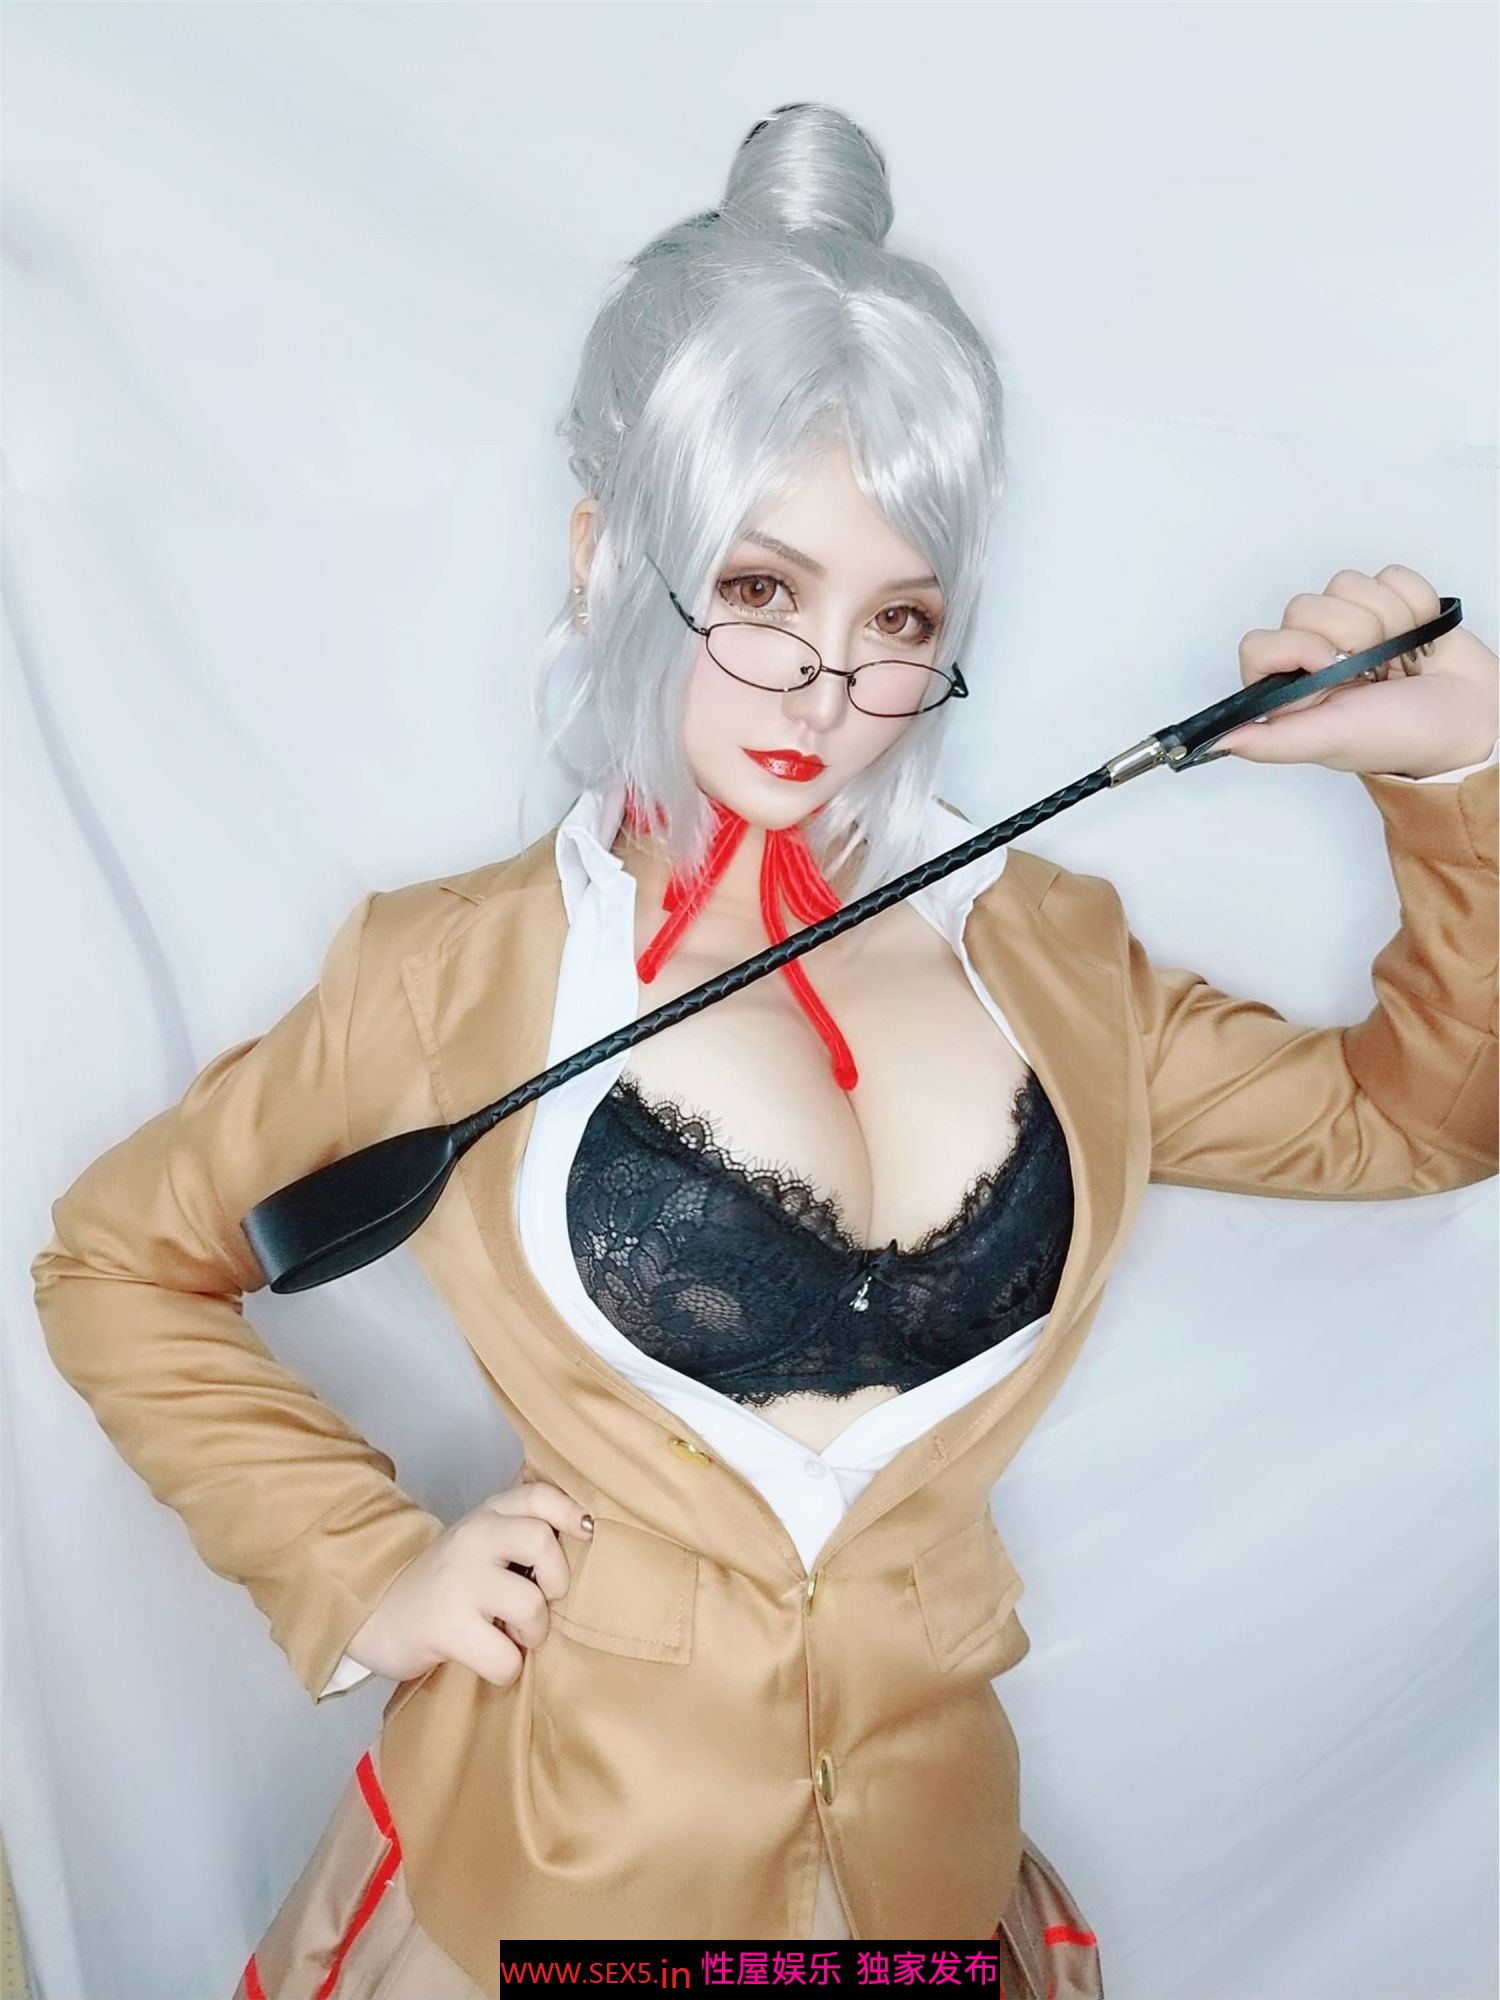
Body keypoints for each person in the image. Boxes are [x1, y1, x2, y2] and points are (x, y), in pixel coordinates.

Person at [30, 103, 1498, 2000]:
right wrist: (362, 1562)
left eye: (900, 619)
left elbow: (1418, 1124)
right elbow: (118, 1261)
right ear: (605, 556)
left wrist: (1458, 783)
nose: (829, 686)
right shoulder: (457, 975)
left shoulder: (1050, 961)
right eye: (756, 592)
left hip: (916, 1895)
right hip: (553, 1893)